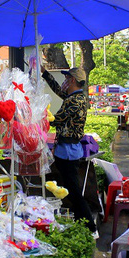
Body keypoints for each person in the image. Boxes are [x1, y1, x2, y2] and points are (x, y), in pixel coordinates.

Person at [41, 66, 98, 238]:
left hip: (68, 151)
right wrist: (45, 74)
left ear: (72, 80)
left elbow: (57, 120)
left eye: (66, 79)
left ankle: (90, 228)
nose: (64, 82)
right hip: (66, 149)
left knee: (73, 191)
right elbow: (58, 90)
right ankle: (82, 223)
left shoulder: (75, 101)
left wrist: (40, 113)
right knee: (70, 190)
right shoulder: (75, 97)